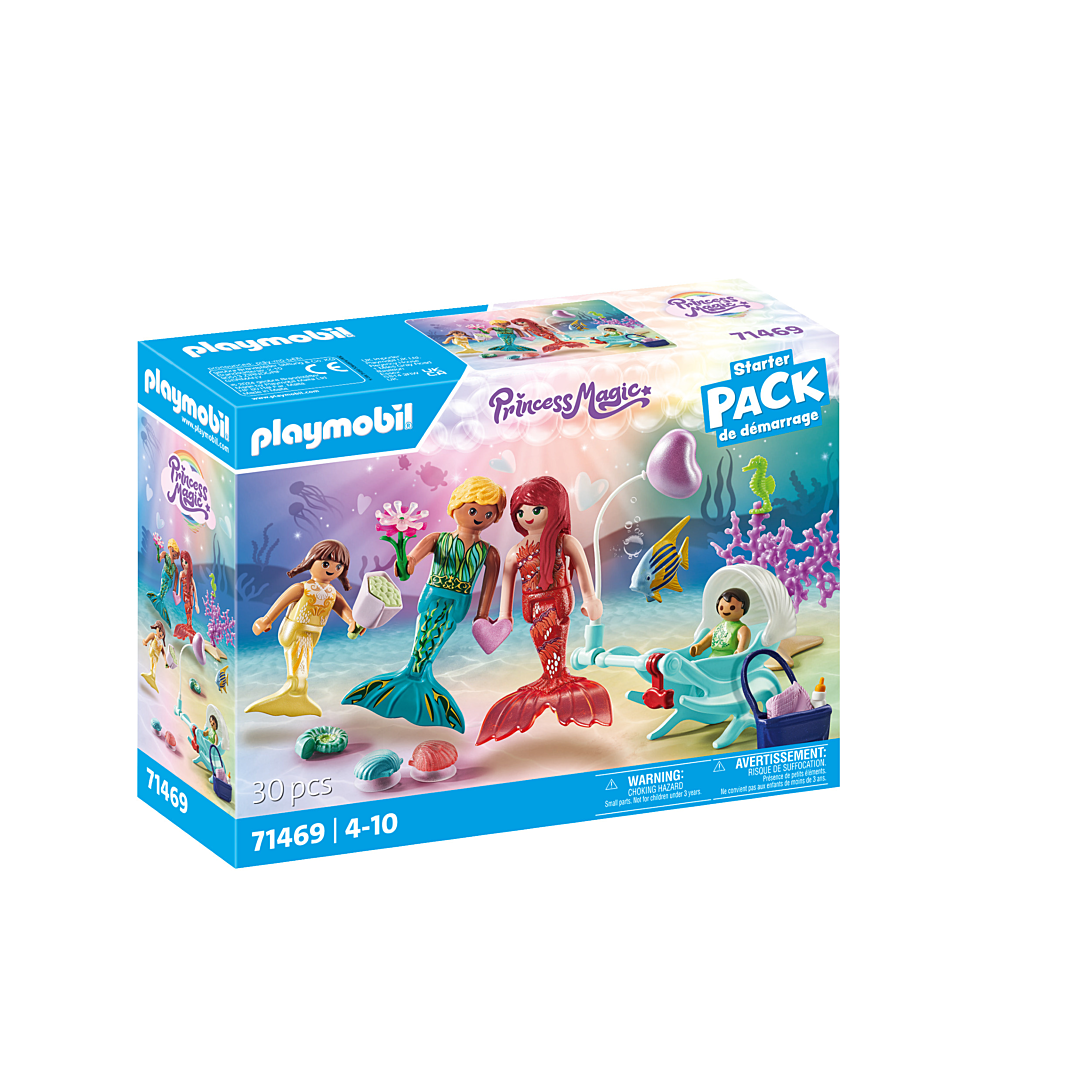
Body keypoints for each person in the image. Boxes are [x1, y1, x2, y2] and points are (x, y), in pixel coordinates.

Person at [342, 477, 505, 733]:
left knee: (437, 638)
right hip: (432, 596)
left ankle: (418, 678)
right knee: (424, 636)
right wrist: (405, 564)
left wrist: (482, 615)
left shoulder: (489, 552)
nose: (478, 518)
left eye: (487, 514)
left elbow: (489, 586)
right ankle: (413, 676)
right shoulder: (437, 539)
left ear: (494, 518)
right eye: (473, 510)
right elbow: (410, 561)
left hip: (458, 603)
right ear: (456, 507)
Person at [476, 476, 611, 745]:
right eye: (521, 511)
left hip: (558, 602)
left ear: (555, 508)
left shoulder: (564, 542)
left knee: (554, 640)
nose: (528, 516)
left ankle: (558, 678)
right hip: (532, 606)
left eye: (537, 509)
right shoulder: (515, 552)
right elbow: (507, 584)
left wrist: (590, 598)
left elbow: (582, 571)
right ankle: (552, 679)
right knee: (541, 641)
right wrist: (504, 617)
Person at [245, 540, 359, 717]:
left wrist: (352, 622)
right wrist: (266, 620)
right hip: (294, 630)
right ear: (311, 561)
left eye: (338, 566)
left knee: (304, 659)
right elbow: (281, 603)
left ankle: (297, 693)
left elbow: (344, 609)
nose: (332, 569)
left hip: (313, 633)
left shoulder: (332, 593)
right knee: (298, 661)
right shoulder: (302, 588)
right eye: (326, 564)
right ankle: (295, 689)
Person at [690, 588, 751, 658]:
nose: (726, 610)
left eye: (732, 608)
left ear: (744, 608)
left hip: (729, 659)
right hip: (712, 657)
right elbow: (709, 638)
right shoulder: (718, 627)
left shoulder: (742, 629)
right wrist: (699, 646)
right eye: (721, 607)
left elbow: (743, 646)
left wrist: (740, 650)